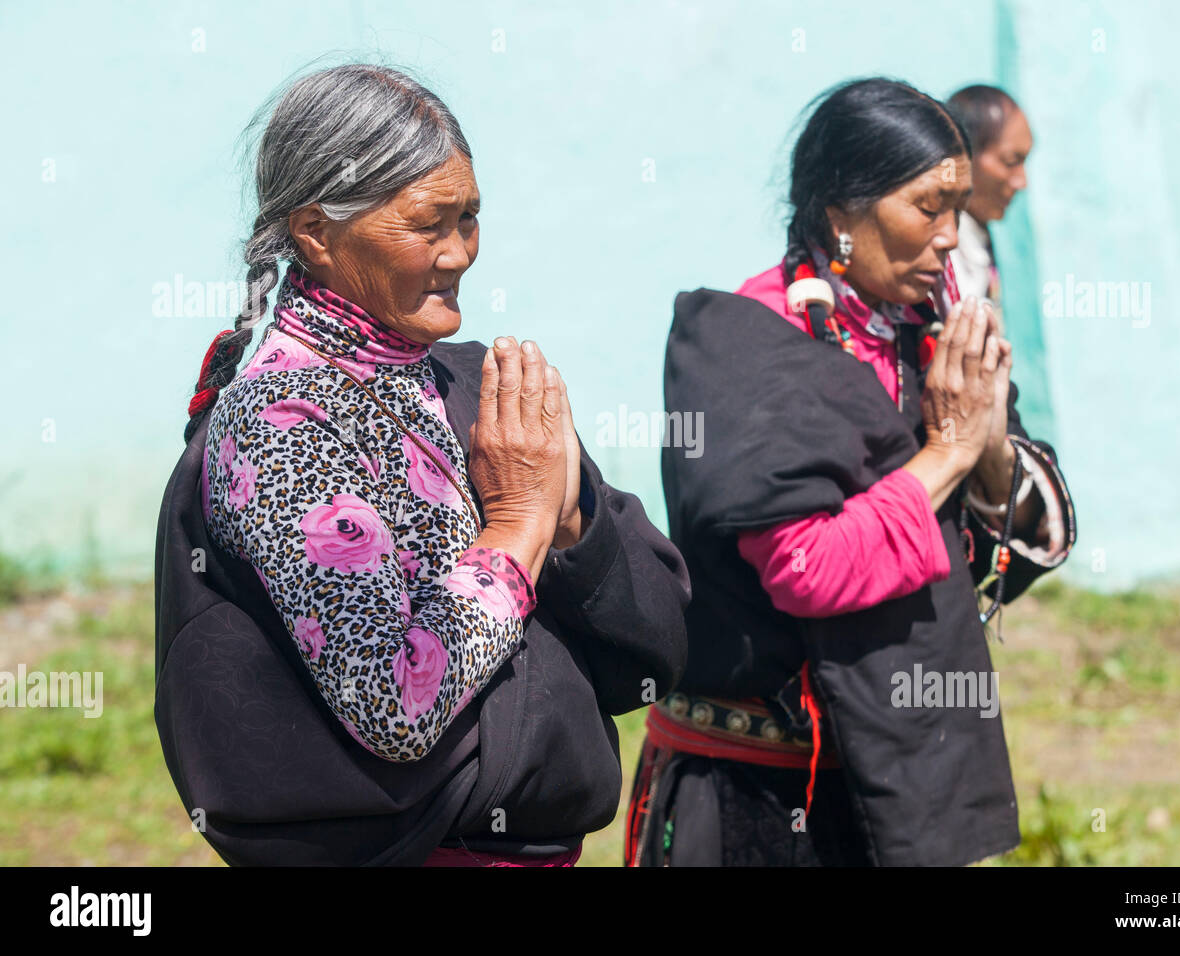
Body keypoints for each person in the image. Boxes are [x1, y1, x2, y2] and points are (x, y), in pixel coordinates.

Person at [154, 63, 689, 866]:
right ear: (315, 231)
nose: (459, 254)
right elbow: (395, 704)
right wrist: (518, 524)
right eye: (428, 224)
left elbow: (655, 648)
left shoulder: (477, 389)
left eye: (469, 218)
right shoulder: (283, 423)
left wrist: (572, 523)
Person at [626, 77, 1076, 867]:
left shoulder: (929, 336)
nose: (949, 235)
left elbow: (1000, 552)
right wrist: (947, 455)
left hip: (898, 784)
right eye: (926, 207)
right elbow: (812, 568)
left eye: (958, 207)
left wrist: (989, 442)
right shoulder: (744, 345)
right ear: (840, 213)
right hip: (753, 799)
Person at [944, 84, 1033, 306]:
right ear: (963, 155)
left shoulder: (978, 237)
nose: (1022, 182)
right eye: (1011, 161)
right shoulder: (939, 247)